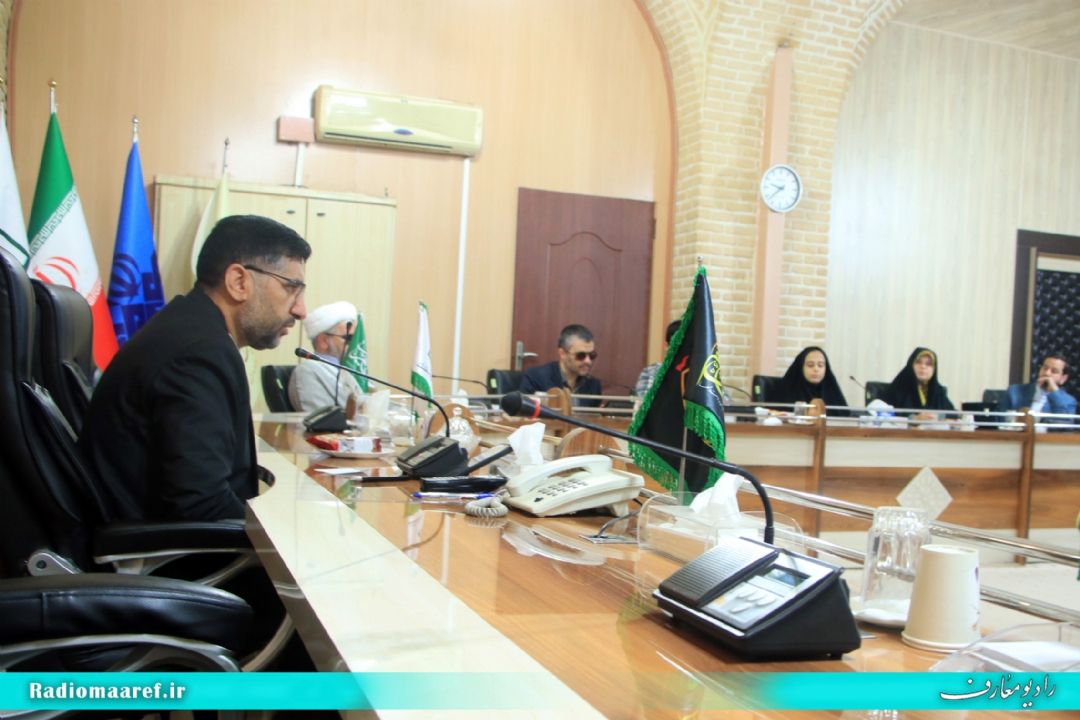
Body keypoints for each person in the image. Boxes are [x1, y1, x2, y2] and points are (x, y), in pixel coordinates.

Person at [80, 215, 311, 521]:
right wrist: (285, 531)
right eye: (291, 288)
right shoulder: (198, 354)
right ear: (238, 282)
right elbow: (201, 506)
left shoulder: (191, 329)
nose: (301, 309)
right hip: (169, 547)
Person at [288, 300, 364, 413]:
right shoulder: (308, 371)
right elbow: (322, 418)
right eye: (348, 338)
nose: (353, 345)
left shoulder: (345, 370)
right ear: (323, 341)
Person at [519, 324, 602, 406]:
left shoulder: (594, 385)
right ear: (562, 353)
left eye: (592, 355)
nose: (588, 361)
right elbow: (523, 410)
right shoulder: (536, 377)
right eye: (581, 355)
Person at [880, 346, 954, 419]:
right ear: (911, 365)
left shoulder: (938, 391)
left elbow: (953, 414)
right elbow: (883, 414)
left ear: (934, 370)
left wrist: (938, 417)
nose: (923, 367)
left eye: (928, 364)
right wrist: (913, 418)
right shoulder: (897, 388)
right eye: (918, 362)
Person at [773, 346, 850, 415]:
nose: (816, 369)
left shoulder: (832, 392)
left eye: (820, 365)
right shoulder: (785, 391)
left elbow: (845, 417)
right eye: (810, 365)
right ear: (801, 367)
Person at [1006, 354, 1077, 421]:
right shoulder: (1014, 391)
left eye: (1054, 371)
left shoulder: (1068, 401)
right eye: (1045, 368)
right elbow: (1002, 421)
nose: (1047, 373)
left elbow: (1063, 424)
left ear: (1063, 379)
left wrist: (1054, 392)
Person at [634, 320, 681, 397]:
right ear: (667, 346)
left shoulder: (699, 375)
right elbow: (646, 401)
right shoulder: (653, 371)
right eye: (676, 345)